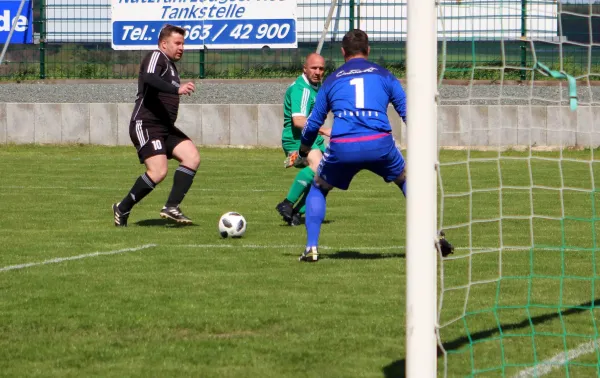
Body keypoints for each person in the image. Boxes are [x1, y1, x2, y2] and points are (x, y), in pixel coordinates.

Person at [296, 29, 454, 262]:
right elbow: (408, 113)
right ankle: (433, 235)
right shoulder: (385, 75)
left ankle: (311, 248)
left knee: (319, 186)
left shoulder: (332, 80)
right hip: (379, 144)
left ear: (342, 52)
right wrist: (424, 145)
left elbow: (313, 124)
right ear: (368, 51)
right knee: (407, 180)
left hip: (343, 145)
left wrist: (303, 150)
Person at [112, 24, 199, 227]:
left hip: (165, 127)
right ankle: (122, 208)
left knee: (192, 157)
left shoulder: (170, 65)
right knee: (158, 172)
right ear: (163, 44)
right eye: (177, 43)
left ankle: (171, 206)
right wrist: (176, 89)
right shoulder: (155, 57)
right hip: (146, 124)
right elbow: (150, 78)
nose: (181, 47)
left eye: (183, 43)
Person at [275, 53, 331, 226]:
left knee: (328, 178)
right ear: (304, 69)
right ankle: (287, 203)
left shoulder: (317, 86)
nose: (317, 71)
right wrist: (324, 130)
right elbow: (298, 121)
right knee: (317, 166)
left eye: (321, 68)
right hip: (297, 138)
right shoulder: (302, 89)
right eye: (313, 68)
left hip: (312, 137)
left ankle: (296, 213)